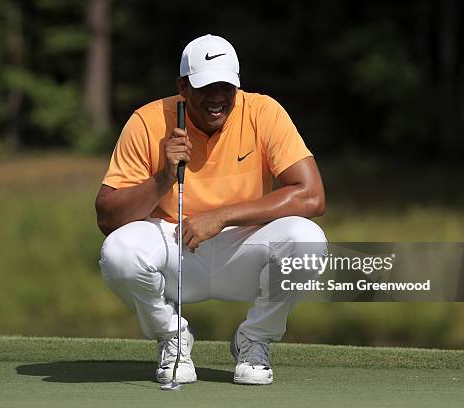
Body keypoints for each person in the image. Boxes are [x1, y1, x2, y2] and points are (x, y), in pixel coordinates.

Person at [96, 34, 327, 385]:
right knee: (119, 252)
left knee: (308, 242)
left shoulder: (263, 112)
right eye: (206, 87)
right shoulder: (147, 121)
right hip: (175, 248)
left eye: (226, 86)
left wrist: (220, 216)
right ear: (183, 87)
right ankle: (172, 337)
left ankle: (255, 339)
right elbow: (107, 218)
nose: (217, 97)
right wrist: (164, 176)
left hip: (243, 248)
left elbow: (311, 196)